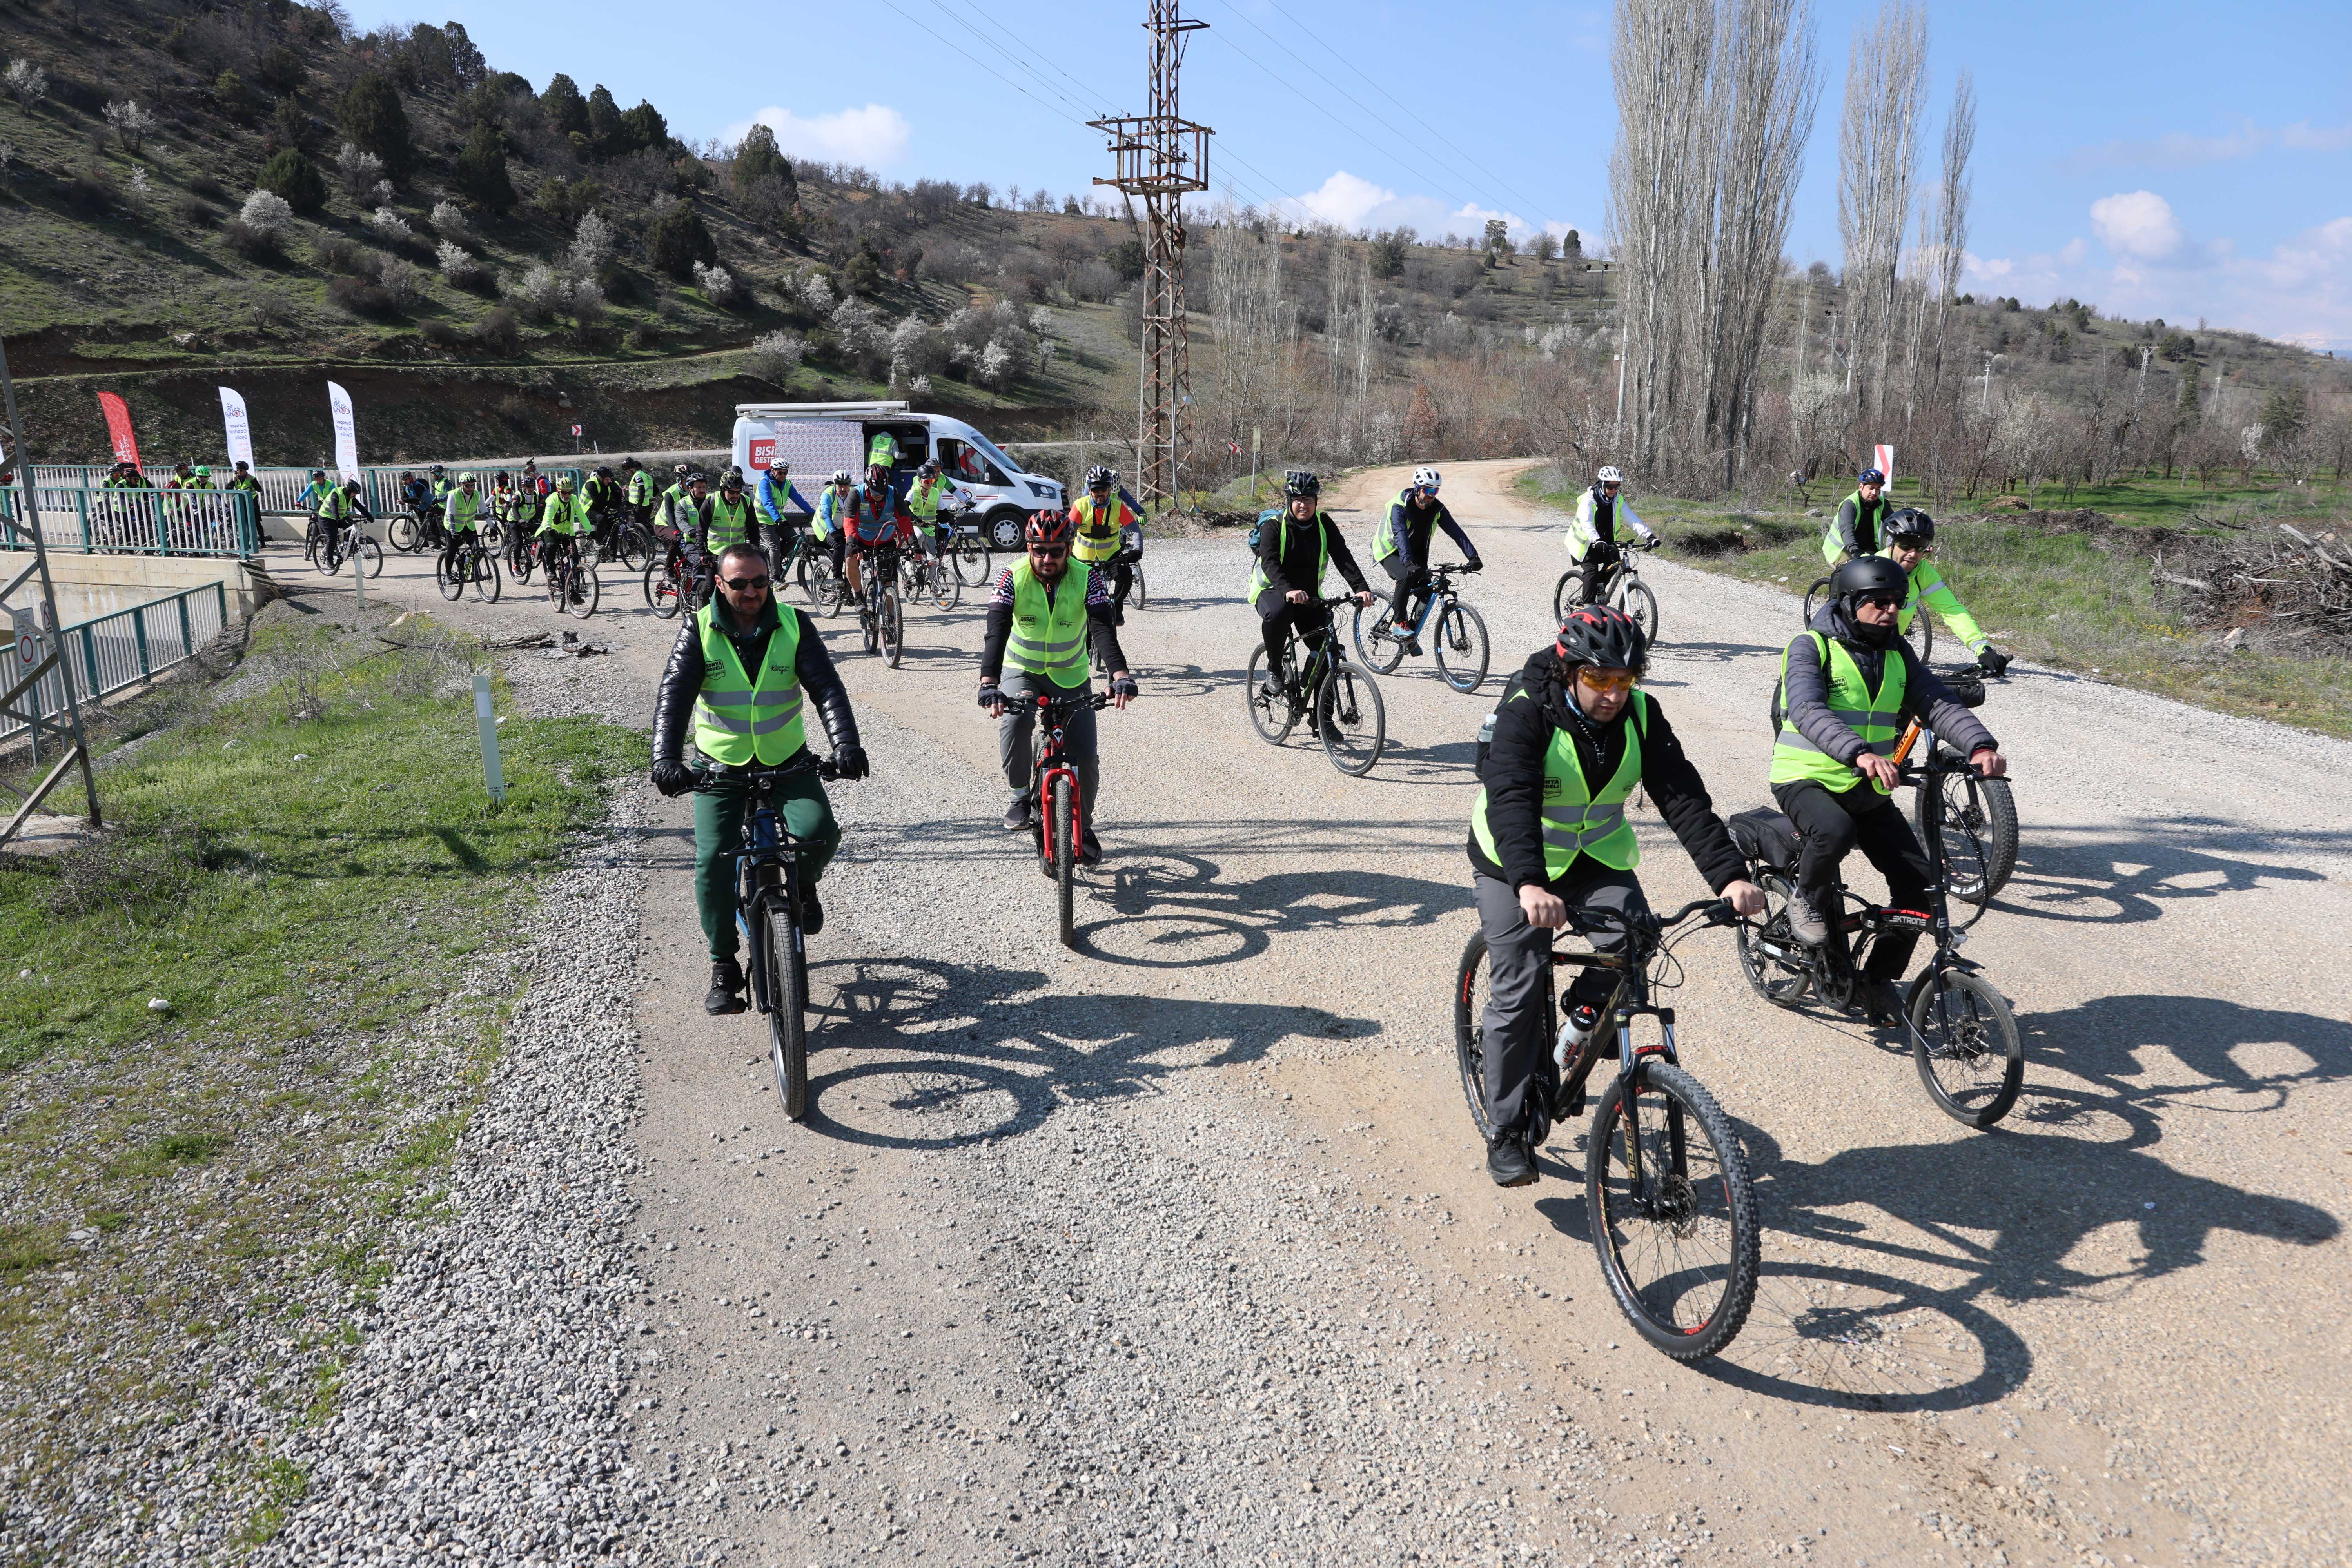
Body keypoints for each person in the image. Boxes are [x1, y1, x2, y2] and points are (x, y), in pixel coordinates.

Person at [1470, 605, 1768, 1186]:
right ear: (1569, 671)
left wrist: (1730, 876)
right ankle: (1506, 1129)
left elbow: (1682, 797)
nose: (1612, 695)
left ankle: (1581, 1021)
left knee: (1636, 942)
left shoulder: (1641, 716)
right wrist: (1529, 883)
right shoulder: (1528, 711)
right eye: (1599, 680)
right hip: (1515, 861)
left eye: (1624, 680)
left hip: (1594, 857)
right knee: (1520, 980)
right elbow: (1509, 797)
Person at [1771, 556, 2007, 1021]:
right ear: (1850, 602)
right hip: (1806, 776)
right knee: (1835, 831)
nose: (1891, 611)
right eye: (1878, 602)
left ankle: (1876, 981)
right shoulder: (1810, 646)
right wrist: (1859, 752)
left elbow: (1937, 702)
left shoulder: (1899, 653)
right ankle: (1806, 896)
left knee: (1920, 887)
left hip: (1866, 786)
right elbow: (1806, 708)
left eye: (1898, 603)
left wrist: (1980, 746)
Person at [648, 541, 870, 1015]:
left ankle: (804, 886)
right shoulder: (699, 630)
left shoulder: (793, 624)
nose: (751, 592)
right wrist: (666, 758)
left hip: (785, 760)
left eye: (760, 582)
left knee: (818, 834)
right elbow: (674, 698)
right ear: (720, 584)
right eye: (740, 584)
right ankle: (723, 965)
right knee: (713, 863)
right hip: (720, 769)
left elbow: (827, 688)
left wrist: (845, 744)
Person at [978, 510, 1137, 856]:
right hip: (1023, 670)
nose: (1046, 559)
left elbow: (1102, 631)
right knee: (1016, 720)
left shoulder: (1088, 579)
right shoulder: (1010, 577)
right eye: (1039, 551)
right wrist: (989, 680)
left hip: (1071, 675)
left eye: (1055, 551)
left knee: (1086, 759)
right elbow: (996, 632)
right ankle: (1020, 796)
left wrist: (1120, 674)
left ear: (1069, 549)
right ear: (1029, 547)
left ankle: (1086, 827)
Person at [1249, 470, 1373, 701]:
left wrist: (1361, 587)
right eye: (1297, 499)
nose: (1303, 505)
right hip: (1271, 591)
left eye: (1308, 499)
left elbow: (1343, 557)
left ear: (1316, 501)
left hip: (1309, 596)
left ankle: (1322, 719)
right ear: (1289, 502)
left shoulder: (1324, 524)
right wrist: (1288, 590)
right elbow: (1270, 563)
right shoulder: (1274, 526)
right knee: (1280, 612)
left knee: (1327, 652)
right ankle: (1275, 667)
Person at [1876, 509, 2013, 677]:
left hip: (1893, 647)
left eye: (1921, 548)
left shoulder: (1923, 572)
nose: (1913, 554)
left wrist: (1983, 649)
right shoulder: (1872, 570)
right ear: (1891, 543)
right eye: (1905, 545)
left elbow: (1952, 611)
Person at [1372, 465, 1481, 651]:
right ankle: (1399, 624)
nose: (1431, 495)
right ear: (1417, 488)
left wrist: (1473, 556)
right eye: (1428, 490)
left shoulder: (1436, 508)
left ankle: (1410, 638)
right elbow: (1400, 534)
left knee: (1428, 592)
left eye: (1436, 490)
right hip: (1390, 551)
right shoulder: (1400, 505)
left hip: (1415, 555)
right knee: (1405, 577)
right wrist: (1407, 562)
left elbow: (1456, 532)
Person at [1565, 465, 1659, 607]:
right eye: (1610, 487)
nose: (1614, 490)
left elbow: (1632, 519)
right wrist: (1596, 539)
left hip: (1605, 542)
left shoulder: (1617, 500)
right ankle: (1588, 610)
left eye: (1617, 487)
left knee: (1615, 564)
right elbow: (1586, 523)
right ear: (1602, 484)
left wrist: (1650, 536)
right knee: (1591, 572)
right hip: (1584, 544)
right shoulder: (1589, 500)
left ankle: (1599, 587)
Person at [1070, 465, 1143, 624]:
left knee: (1126, 575)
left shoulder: (1119, 507)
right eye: (1096, 490)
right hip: (1083, 557)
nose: (1100, 494)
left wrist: (1137, 549)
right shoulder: (1080, 506)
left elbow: (1135, 531)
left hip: (1111, 556)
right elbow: (1068, 533)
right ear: (1089, 490)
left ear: (1110, 489)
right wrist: (1065, 551)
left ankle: (1117, 608)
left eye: (1103, 489)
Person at [841, 463, 915, 608]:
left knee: (890, 582)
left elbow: (905, 521)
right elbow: (850, 522)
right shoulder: (856, 494)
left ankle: (891, 620)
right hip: (860, 538)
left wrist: (913, 543)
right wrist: (852, 544)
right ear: (868, 485)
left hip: (885, 538)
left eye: (882, 491)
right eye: (875, 492)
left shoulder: (894, 494)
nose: (879, 495)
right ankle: (859, 597)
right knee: (850, 561)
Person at [536, 474, 592, 605]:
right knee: (550, 546)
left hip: (568, 533)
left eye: (570, 492)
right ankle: (551, 571)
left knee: (575, 559)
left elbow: (582, 516)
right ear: (558, 491)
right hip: (552, 530)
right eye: (564, 492)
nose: (567, 495)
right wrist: (548, 528)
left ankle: (574, 591)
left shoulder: (573, 500)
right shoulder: (553, 500)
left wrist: (591, 531)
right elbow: (547, 516)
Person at [1821, 468, 1893, 565]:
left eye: (1878, 489)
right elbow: (1847, 529)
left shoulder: (1882, 504)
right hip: (1841, 549)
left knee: (1883, 569)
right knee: (1853, 571)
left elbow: (1894, 524)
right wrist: (1854, 550)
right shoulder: (1850, 504)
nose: (1875, 493)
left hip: (1868, 548)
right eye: (1871, 488)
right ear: (1861, 487)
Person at [755, 459, 811, 573]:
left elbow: (799, 499)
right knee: (775, 548)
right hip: (764, 520)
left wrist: (812, 512)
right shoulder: (765, 483)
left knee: (795, 540)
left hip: (779, 519)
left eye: (785, 473)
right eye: (780, 473)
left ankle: (776, 559)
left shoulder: (787, 484)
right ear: (773, 471)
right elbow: (768, 503)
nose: (783, 475)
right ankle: (776, 578)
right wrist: (778, 519)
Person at [902, 458, 960, 568]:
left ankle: (933, 582)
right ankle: (911, 561)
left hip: (929, 527)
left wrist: (949, 522)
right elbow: (904, 506)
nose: (930, 483)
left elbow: (943, 512)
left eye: (932, 481)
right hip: (915, 525)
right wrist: (914, 519)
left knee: (934, 559)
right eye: (927, 481)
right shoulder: (914, 491)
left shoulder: (936, 493)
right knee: (919, 537)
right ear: (920, 481)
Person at [438, 472, 484, 577]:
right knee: (452, 549)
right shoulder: (454, 495)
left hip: (469, 526)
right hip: (452, 527)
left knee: (476, 548)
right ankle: (448, 574)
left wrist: (492, 527)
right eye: (468, 485)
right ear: (461, 485)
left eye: (473, 485)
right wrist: (454, 532)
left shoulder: (477, 495)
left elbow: (485, 512)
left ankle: (475, 572)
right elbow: (450, 515)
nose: (471, 488)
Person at [813, 468, 856, 583]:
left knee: (853, 546)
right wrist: (833, 532)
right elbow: (827, 515)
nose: (843, 489)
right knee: (839, 545)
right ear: (835, 484)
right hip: (824, 525)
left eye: (846, 486)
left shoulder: (853, 493)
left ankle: (849, 582)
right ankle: (837, 578)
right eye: (840, 486)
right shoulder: (827, 494)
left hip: (841, 525)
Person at [622, 457, 656, 528]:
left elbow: (642, 489)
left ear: (631, 468)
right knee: (645, 526)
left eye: (627, 471)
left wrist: (640, 503)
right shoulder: (645, 475)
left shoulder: (638, 476)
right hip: (646, 503)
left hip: (639, 505)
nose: (628, 473)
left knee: (640, 527)